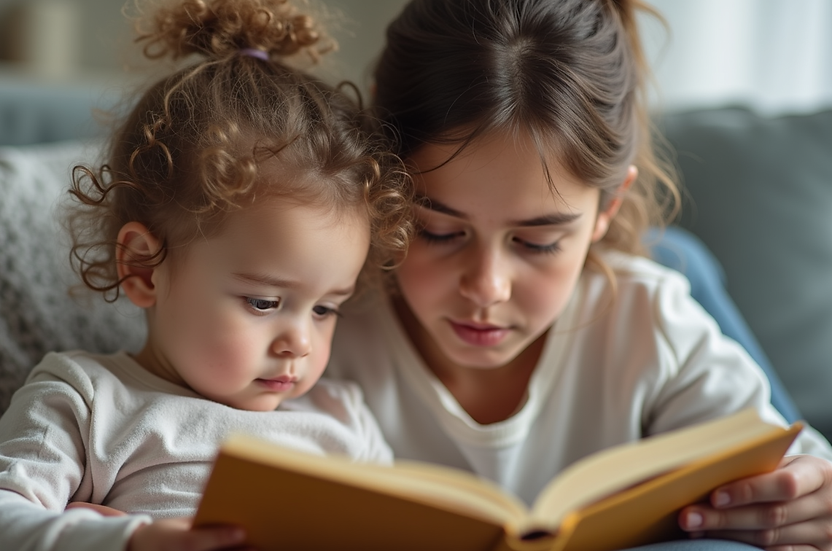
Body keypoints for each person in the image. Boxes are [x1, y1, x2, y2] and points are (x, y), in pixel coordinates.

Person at [326, 1, 832, 550]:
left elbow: (791, 466)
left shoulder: (648, 319)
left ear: (608, 209)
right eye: (438, 232)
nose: (487, 287)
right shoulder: (320, 325)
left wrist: (806, 493)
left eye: (538, 242)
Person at [0, 0, 413, 549]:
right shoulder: (91, 402)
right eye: (263, 302)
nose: (299, 343)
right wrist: (130, 541)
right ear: (143, 267)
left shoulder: (343, 421)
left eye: (326, 308)